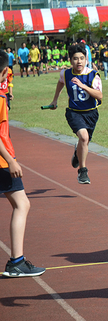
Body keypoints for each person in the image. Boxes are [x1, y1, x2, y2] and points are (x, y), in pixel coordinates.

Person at [0, 50, 45, 277]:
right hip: (1, 161)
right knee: (22, 205)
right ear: (4, 71)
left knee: (22, 204)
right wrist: (10, 160)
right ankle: (16, 261)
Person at [48, 44, 103, 184]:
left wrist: (83, 85)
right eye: (75, 59)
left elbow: (99, 95)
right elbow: (61, 82)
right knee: (84, 138)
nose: (79, 61)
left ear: (86, 59)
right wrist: (55, 100)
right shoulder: (65, 73)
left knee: (85, 141)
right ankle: (82, 172)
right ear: (70, 60)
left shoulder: (93, 75)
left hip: (91, 114)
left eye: (82, 58)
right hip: (74, 112)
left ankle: (77, 154)